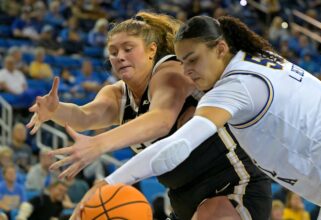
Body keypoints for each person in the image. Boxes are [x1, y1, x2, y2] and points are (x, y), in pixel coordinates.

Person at [99, 15, 321, 220]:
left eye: (193, 59)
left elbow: (177, 146)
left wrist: (109, 183)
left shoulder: (235, 85)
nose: (187, 71)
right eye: (182, 61)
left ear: (220, 48)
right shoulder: (258, 58)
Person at [28, 12, 271, 220]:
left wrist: (98, 144)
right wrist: (55, 111)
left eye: (127, 49)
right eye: (113, 52)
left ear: (151, 50)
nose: (119, 56)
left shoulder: (171, 72)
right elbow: (84, 116)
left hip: (231, 184)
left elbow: (161, 119)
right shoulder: (116, 95)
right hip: (182, 198)